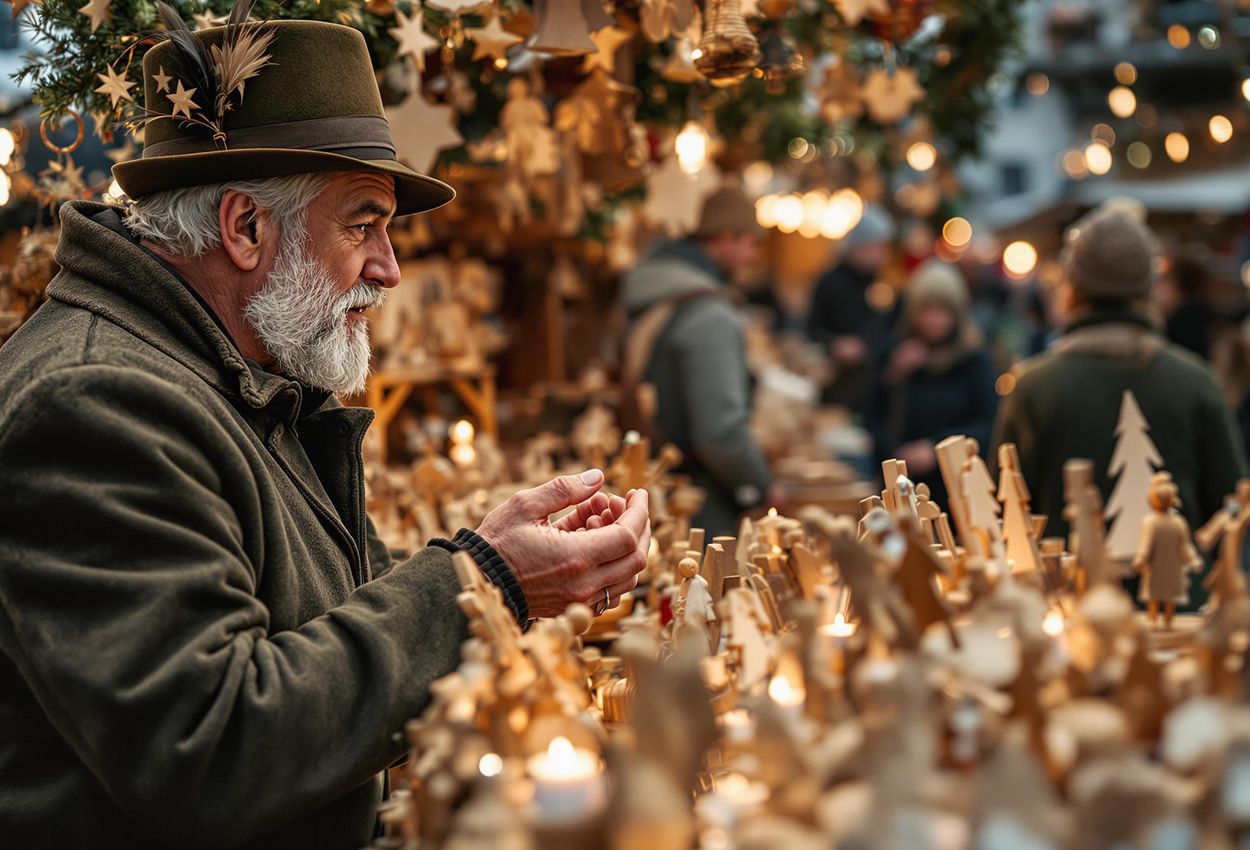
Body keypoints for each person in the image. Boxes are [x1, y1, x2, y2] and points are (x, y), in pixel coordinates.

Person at [0, 19, 650, 848]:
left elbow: (333, 615)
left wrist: (509, 569)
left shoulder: (236, 376)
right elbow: (210, 745)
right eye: (361, 224)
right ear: (244, 228)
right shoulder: (96, 401)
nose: (389, 267)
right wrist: (487, 583)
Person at [993, 207, 1246, 554]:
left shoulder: (1034, 387)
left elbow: (1000, 514)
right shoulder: (1196, 382)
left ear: (1072, 288)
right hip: (1181, 603)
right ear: (1149, 289)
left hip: (1065, 599)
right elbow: (1232, 509)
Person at [620, 184, 772, 538]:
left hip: (655, 490)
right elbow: (719, 432)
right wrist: (759, 484)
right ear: (725, 238)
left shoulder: (659, 295)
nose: (753, 256)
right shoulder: (708, 314)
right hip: (699, 506)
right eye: (751, 242)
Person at [866, 260, 998, 505]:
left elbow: (990, 424)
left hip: (957, 490)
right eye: (926, 310)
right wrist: (893, 376)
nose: (933, 320)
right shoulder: (896, 352)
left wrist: (936, 449)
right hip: (902, 486)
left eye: (943, 311)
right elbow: (872, 417)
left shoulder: (973, 360)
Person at [806, 203, 896, 409]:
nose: (878, 254)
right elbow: (812, 328)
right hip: (832, 383)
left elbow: (890, 330)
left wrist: (866, 347)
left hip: (873, 387)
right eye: (873, 246)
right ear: (856, 246)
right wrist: (834, 344)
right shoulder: (829, 282)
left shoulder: (883, 284)